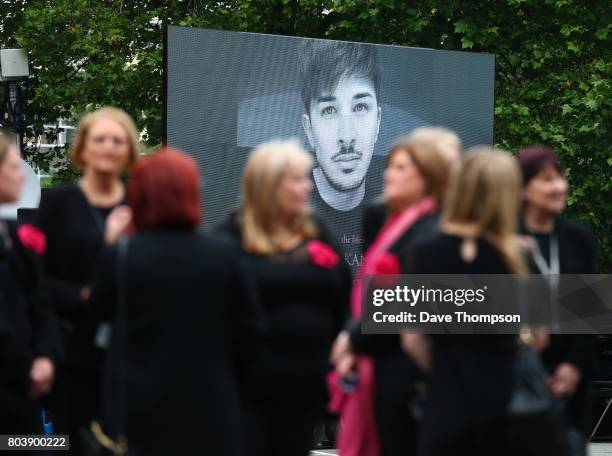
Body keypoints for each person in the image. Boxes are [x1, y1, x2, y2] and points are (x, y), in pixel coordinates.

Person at [88, 149, 259, 456]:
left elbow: (93, 319)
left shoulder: (123, 256)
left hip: (140, 412)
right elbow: (251, 333)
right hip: (213, 411)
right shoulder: (226, 255)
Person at [217, 140, 351, 456]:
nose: (308, 187)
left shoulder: (317, 229)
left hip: (307, 386)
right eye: (298, 179)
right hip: (247, 390)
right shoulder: (230, 236)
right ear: (270, 184)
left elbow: (343, 293)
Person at [329, 137, 453, 456]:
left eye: (400, 168)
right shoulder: (390, 223)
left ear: (427, 175)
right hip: (385, 366)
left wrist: (354, 337)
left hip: (411, 373)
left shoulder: (432, 232)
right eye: (390, 167)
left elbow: (418, 306)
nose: (388, 175)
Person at [400, 148, 526, 456]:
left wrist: (446, 372)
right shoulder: (519, 255)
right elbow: (539, 335)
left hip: (446, 405)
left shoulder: (425, 250)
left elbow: (412, 340)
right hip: (506, 406)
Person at [36, 107, 139, 453]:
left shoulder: (141, 202)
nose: (109, 147)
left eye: (117, 140)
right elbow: (37, 280)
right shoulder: (58, 204)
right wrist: (80, 295)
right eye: (100, 139)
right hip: (74, 349)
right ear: (83, 148)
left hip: (132, 349)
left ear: (129, 149)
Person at [518, 145, 597, 454]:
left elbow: (590, 311)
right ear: (524, 188)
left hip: (570, 378)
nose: (558, 187)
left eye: (560, 178)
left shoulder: (578, 237)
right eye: (547, 180)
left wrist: (574, 366)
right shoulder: (505, 236)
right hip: (520, 375)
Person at [299, 39, 384, 269]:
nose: (347, 136)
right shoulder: (282, 216)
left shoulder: (394, 218)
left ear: (377, 121)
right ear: (309, 129)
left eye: (359, 107)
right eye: (329, 110)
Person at [0, 132, 62, 435]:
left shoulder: (19, 240)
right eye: (13, 169)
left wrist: (45, 356)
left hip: (22, 392)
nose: (22, 178)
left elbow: (43, 306)